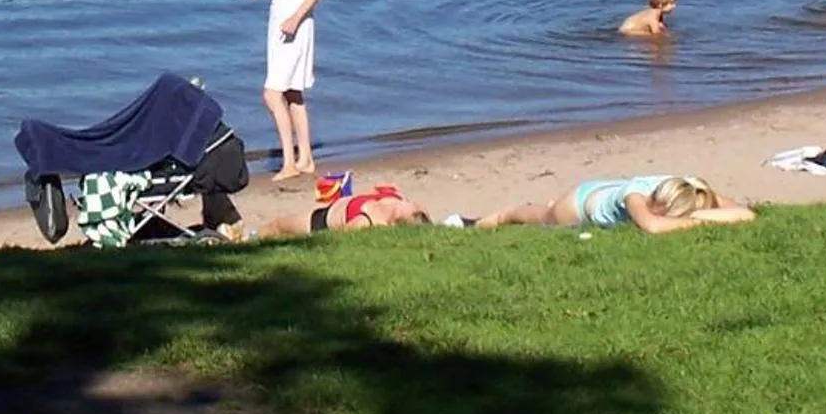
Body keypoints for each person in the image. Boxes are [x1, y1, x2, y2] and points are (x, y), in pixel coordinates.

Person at [243, 0, 325, 182]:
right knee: (291, 92)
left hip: (296, 24)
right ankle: (306, 158)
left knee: (271, 93)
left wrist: (296, 17)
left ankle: (289, 161)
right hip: (279, 23)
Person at [477, 175, 753, 234]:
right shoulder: (637, 196)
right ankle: (479, 223)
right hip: (579, 204)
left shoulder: (696, 189)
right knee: (527, 215)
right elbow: (653, 227)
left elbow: (746, 214)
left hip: (606, 189)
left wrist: (704, 211)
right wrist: (703, 220)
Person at [249, 184, 431, 239]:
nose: (410, 203)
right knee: (278, 226)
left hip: (320, 222)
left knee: (278, 226)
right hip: (333, 206)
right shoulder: (398, 198)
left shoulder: (369, 221)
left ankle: (251, 240)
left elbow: (339, 237)